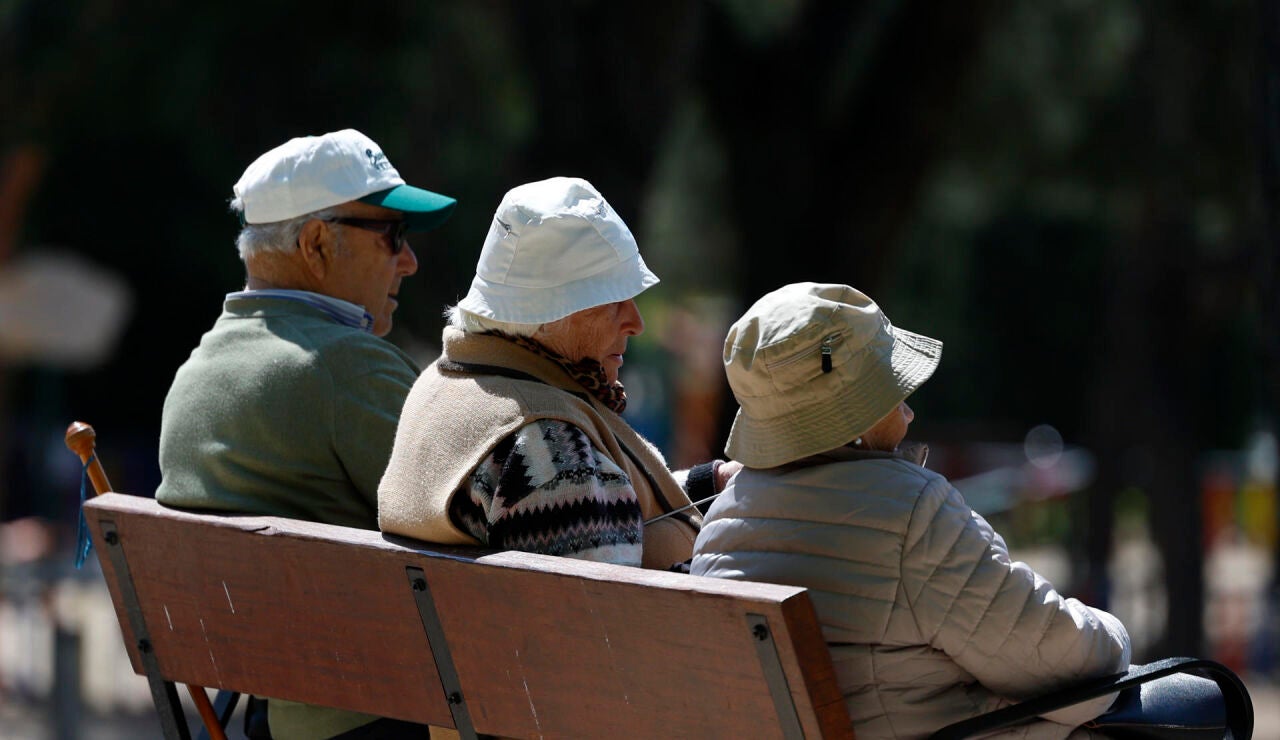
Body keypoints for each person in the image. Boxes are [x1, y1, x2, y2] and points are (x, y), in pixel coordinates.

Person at [691, 282, 1131, 739]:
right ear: (852, 417)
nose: (909, 411)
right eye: (889, 389)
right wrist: (1114, 631)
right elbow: (1072, 663)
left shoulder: (720, 524)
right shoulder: (910, 515)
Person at [156, 128, 455, 739]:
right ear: (316, 243)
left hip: (265, 718)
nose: (409, 261)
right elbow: (478, 524)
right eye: (392, 235)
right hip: (377, 717)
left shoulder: (194, 373)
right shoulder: (348, 367)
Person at [380, 176, 738, 571]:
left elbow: (589, 500)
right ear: (550, 315)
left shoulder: (443, 385)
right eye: (612, 300)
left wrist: (712, 483)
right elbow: (608, 604)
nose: (636, 323)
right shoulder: (550, 449)